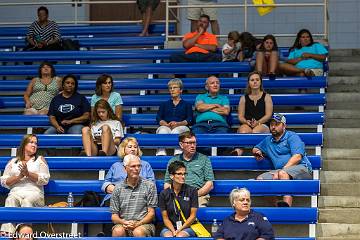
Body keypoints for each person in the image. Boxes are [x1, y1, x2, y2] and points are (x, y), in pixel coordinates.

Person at [252, 113, 313, 207]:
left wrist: (282, 170)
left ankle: (287, 208)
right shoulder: (268, 140)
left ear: (284, 126)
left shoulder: (291, 136)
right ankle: (278, 206)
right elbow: (255, 148)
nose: (273, 127)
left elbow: (297, 157)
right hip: (281, 171)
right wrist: (258, 152)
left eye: (276, 124)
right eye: (271, 124)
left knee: (282, 174)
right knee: (260, 180)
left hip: (302, 169)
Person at [0, 134, 50, 234]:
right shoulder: (13, 162)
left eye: (36, 143)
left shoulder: (39, 159)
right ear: (24, 145)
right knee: (10, 199)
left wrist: (28, 174)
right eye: (31, 142)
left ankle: (24, 234)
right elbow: (4, 181)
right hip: (15, 192)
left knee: (27, 201)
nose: (34, 145)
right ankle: (6, 233)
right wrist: (19, 177)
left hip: (34, 193)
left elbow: (45, 179)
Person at [110, 154, 157, 237]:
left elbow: (151, 213)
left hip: (144, 224)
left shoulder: (149, 186)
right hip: (124, 223)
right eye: (133, 166)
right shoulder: (118, 188)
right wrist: (124, 222)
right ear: (125, 169)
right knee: (118, 231)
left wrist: (138, 223)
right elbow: (114, 216)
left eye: (139, 166)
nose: (137, 169)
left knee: (138, 232)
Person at [164, 131, 214, 207]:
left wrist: (194, 195)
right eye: (189, 143)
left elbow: (210, 184)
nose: (193, 145)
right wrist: (176, 196)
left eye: (194, 143)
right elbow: (167, 184)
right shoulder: (173, 161)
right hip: (178, 195)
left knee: (198, 209)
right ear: (181, 145)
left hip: (198, 195)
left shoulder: (204, 159)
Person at [101, 137, 155, 206]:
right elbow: (106, 183)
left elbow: (151, 184)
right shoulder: (116, 166)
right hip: (117, 196)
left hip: (139, 196)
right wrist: (112, 188)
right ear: (123, 149)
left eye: (135, 147)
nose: (133, 149)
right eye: (130, 147)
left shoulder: (145, 165)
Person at [233, 71, 273, 156]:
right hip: (247, 124)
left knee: (256, 131)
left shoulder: (267, 96)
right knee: (243, 131)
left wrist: (258, 122)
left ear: (260, 82)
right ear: (248, 83)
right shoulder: (243, 98)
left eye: (257, 80)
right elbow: (240, 116)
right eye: (252, 80)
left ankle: (258, 152)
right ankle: (238, 152)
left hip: (263, 124)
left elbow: (268, 115)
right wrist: (246, 122)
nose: (255, 82)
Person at [159, 161, 198, 237]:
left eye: (184, 174)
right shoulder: (164, 194)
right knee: (168, 236)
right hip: (169, 227)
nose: (183, 176)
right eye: (179, 174)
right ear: (171, 176)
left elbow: (193, 216)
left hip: (188, 227)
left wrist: (180, 230)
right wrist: (174, 231)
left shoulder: (192, 191)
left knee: (180, 236)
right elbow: (165, 218)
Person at [156, 78, 193, 156]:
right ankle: (161, 153)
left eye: (175, 87)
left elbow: (190, 119)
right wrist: (165, 124)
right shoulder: (164, 104)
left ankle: (178, 153)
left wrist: (178, 123)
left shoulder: (187, 104)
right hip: (167, 126)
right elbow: (158, 117)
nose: (172, 90)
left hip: (182, 127)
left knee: (176, 131)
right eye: (170, 88)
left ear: (181, 90)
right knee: (162, 130)